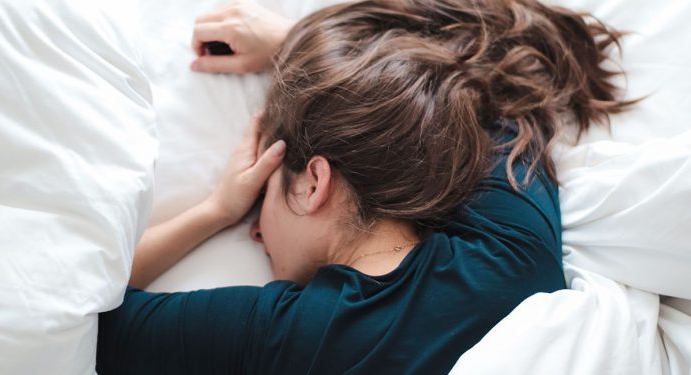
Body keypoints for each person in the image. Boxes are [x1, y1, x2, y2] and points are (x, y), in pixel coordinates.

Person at [97, 0, 635, 373]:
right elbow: (489, 80)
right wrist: (297, 44)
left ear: (314, 182)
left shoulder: (284, 338)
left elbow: (84, 317)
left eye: (261, 201)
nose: (254, 230)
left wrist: (214, 210)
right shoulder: (508, 253)